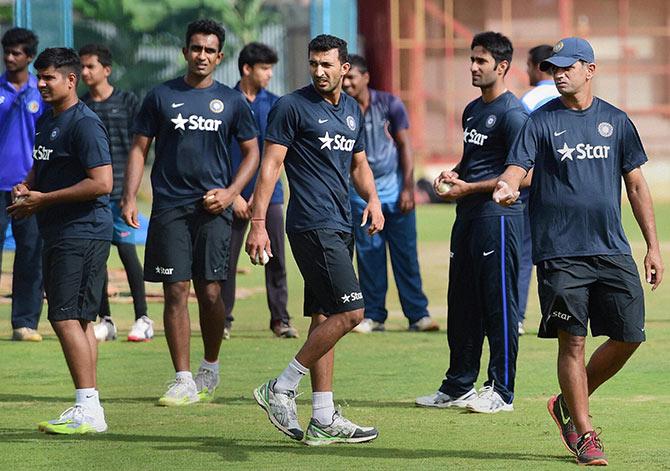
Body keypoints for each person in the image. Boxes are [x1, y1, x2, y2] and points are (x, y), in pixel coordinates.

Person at [494, 37, 664, 466]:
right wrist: (507, 185)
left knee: (629, 335)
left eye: (568, 66)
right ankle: (585, 433)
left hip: (611, 248)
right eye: (554, 67)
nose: (559, 73)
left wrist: (653, 247)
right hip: (560, 251)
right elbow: (518, 167)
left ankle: (567, 401)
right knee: (572, 342)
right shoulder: (539, 122)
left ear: (590, 69)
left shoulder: (616, 121)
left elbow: (637, 184)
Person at [246, 34, 383, 446]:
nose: (319, 72)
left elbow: (358, 164)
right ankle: (282, 387)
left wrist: (373, 199)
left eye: (327, 65)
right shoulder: (291, 106)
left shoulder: (353, 112)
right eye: (314, 64)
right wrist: (257, 221)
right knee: (353, 314)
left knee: (325, 317)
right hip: (312, 224)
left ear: (345, 68)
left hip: (342, 224)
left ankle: (323, 417)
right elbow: (270, 166)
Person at [122, 19, 259, 406]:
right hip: (169, 207)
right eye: (195, 48)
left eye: (209, 50)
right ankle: (182, 378)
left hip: (213, 209)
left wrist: (232, 193)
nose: (201, 56)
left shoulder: (232, 101)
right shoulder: (161, 95)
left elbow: (253, 152)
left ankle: (209, 366)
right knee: (175, 290)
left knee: (211, 293)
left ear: (220, 56)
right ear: (185, 52)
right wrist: (129, 196)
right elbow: (139, 147)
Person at [415, 32, 528, 414]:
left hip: (498, 218)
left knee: (498, 305)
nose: (473, 67)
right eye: (472, 60)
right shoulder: (471, 110)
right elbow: (474, 159)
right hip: (467, 217)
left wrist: (469, 188)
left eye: (481, 61)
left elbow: (525, 174)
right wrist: (453, 174)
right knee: (461, 303)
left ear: (502, 66)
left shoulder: (514, 115)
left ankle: (501, 390)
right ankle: (459, 384)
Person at [9, 47, 113, 434]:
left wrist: (44, 200)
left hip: (82, 230)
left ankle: (89, 406)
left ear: (71, 80)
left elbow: (102, 183)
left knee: (64, 316)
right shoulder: (48, 119)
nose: (40, 83)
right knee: (80, 318)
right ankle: (89, 406)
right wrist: (29, 186)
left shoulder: (84, 123)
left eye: (49, 77)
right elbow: (43, 163)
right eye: (39, 76)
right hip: (60, 230)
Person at [343, 54, 437, 334]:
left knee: (406, 255)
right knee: (370, 257)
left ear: (366, 77)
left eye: (352, 77)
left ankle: (418, 315)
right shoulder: (341, 110)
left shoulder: (389, 104)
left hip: (396, 193)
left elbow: (405, 146)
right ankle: (373, 316)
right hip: (361, 196)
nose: (346, 83)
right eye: (344, 77)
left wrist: (409, 187)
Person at [78, 43, 153, 342]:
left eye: (90, 66)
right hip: (93, 194)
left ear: (106, 70)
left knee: (126, 251)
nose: (84, 72)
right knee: (96, 257)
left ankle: (143, 318)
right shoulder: (81, 106)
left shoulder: (128, 101)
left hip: (122, 192)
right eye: (81, 67)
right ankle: (106, 320)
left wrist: (131, 192)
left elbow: (140, 146)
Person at [222, 42, 297, 340]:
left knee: (275, 258)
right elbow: (218, 156)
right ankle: (222, 321)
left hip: (271, 198)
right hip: (230, 198)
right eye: (264, 69)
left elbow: (276, 157)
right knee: (223, 263)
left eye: (271, 69)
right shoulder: (225, 102)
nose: (269, 74)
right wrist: (234, 196)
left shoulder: (277, 105)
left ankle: (281, 320)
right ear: (246, 69)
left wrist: (260, 199)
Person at [0, 27, 45, 342]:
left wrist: (36, 182)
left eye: (16, 52)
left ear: (29, 57)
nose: (9, 57)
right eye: (6, 51)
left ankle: (25, 323)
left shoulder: (40, 92)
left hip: (26, 188)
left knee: (30, 253)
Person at [517, 44, 560, 335]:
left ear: (535, 65)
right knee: (561, 256)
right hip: (566, 191)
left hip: (533, 190)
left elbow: (521, 150)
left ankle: (517, 318)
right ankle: (562, 316)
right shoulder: (567, 96)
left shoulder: (529, 100)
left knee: (522, 257)